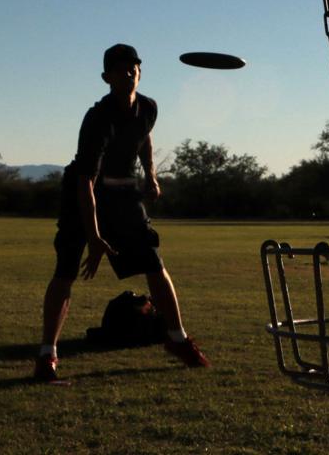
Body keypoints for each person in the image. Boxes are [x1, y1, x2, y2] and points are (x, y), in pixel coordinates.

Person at [35, 43, 209, 384]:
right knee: (65, 271)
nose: (130, 71)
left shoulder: (148, 108)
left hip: (124, 192)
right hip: (83, 192)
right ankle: (47, 356)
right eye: (121, 68)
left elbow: (144, 136)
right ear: (107, 77)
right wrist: (95, 236)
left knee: (154, 263)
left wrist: (152, 175)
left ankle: (176, 339)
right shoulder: (98, 118)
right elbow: (86, 181)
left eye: (134, 66)